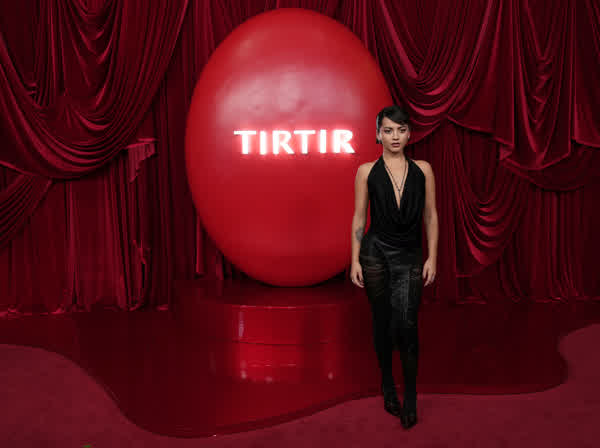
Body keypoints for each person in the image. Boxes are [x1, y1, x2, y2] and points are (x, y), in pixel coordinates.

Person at [350, 105, 438, 429]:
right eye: (388, 130)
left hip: (410, 254)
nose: (395, 136)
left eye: (401, 130)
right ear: (378, 135)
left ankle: (410, 397)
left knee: (407, 326)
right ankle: (388, 386)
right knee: (382, 322)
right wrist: (354, 259)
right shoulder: (365, 171)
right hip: (375, 254)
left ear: (409, 134)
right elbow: (359, 218)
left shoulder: (424, 170)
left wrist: (432, 257)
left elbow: (431, 215)